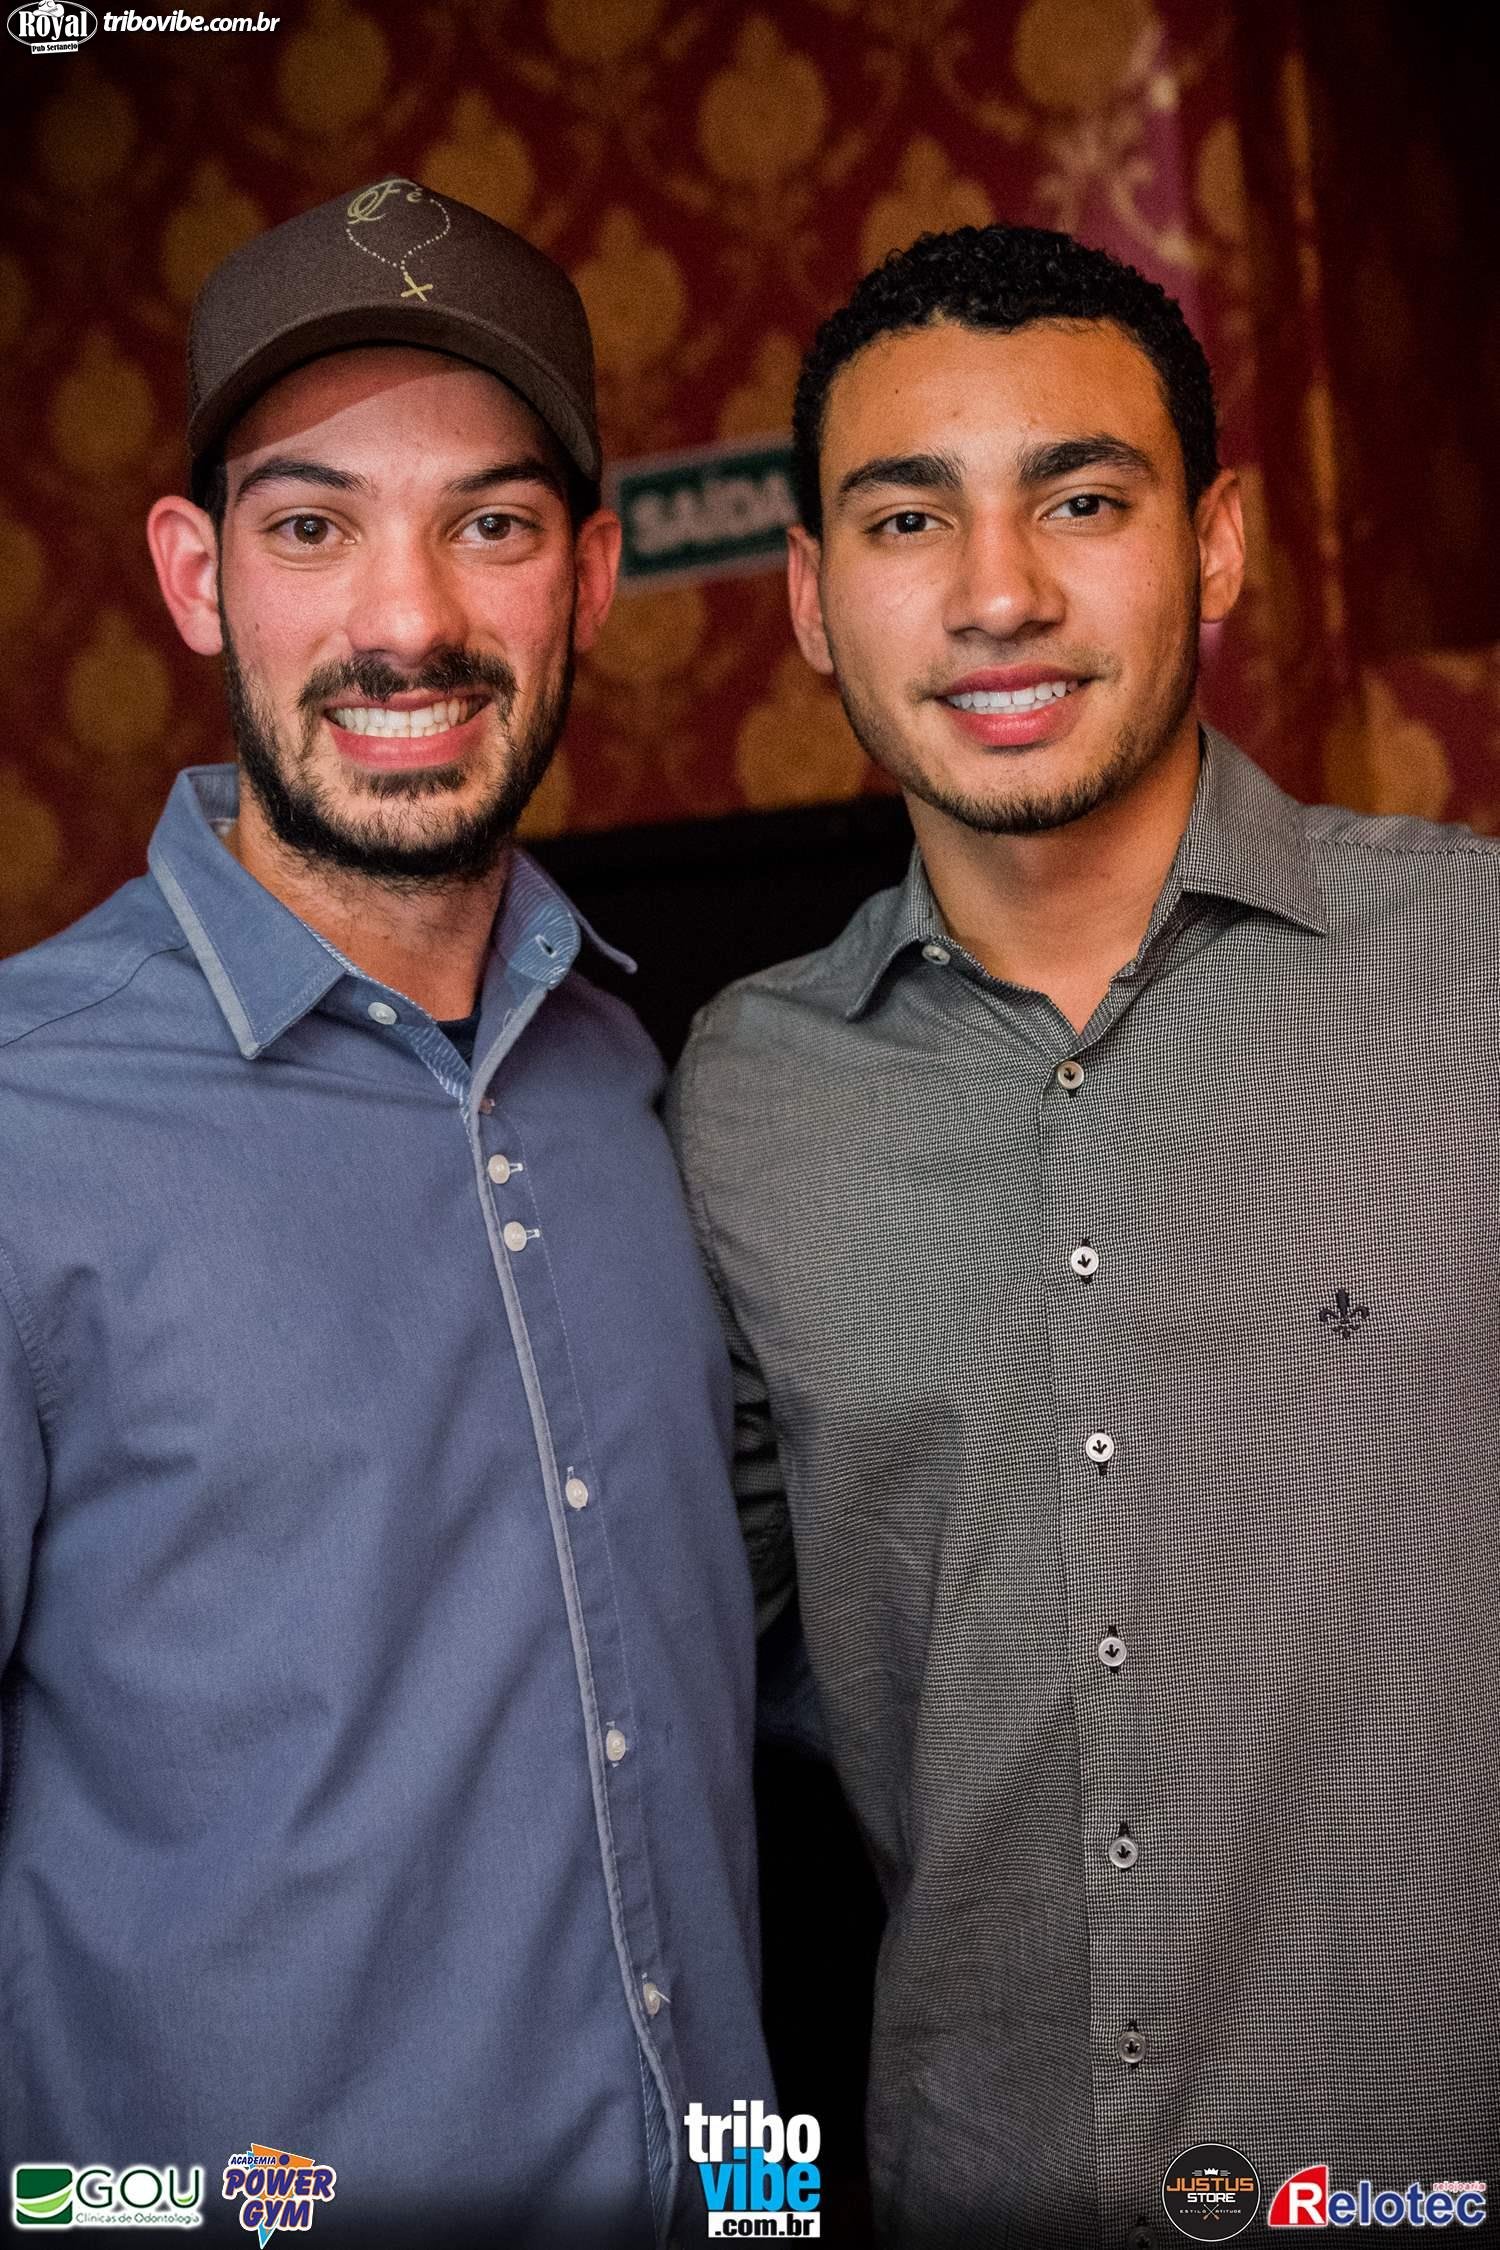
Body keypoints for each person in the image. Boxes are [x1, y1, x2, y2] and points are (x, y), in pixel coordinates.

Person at [667, 224, 1500, 2248]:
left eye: (1083, 500)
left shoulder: (1474, 972)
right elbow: (656, 1655)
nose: (999, 593)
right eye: (906, 518)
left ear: (1214, 545)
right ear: (812, 600)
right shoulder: (739, 1098)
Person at [0, 180, 772, 2248]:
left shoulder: (639, 1085)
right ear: (197, 577)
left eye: (490, 524)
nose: (406, 620)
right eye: (313, 527)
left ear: (590, 577)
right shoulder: (21, 1125)